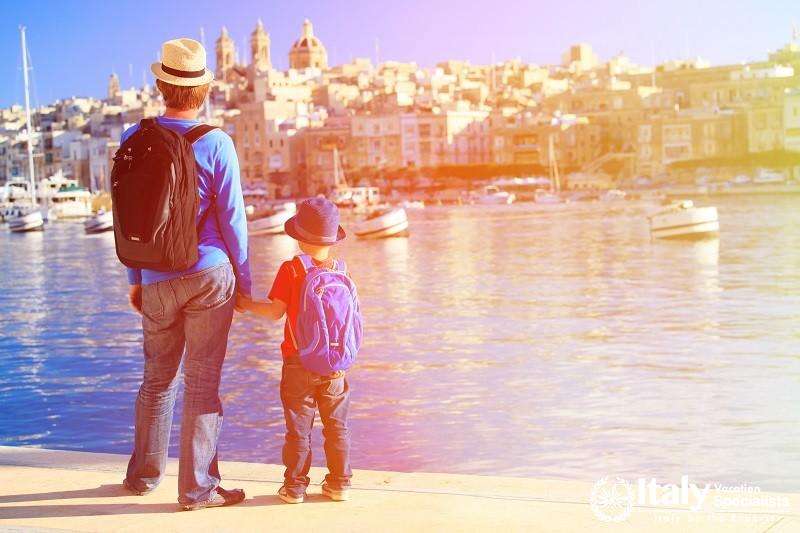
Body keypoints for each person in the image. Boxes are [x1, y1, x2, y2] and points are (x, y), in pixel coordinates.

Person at [121, 38, 251, 511]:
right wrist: (246, 283)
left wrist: (136, 278)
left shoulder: (131, 140)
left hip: (153, 277)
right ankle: (197, 489)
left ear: (160, 86)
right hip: (208, 275)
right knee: (201, 383)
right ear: (203, 92)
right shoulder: (216, 142)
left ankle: (142, 477)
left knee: (156, 380)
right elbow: (233, 220)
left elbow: (129, 214)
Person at [238, 197, 353, 504]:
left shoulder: (292, 269)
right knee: (336, 426)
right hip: (336, 366)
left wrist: (245, 304)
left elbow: (275, 312)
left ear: (300, 237)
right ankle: (339, 483)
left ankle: (295, 487)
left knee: (299, 429)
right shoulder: (343, 271)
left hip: (298, 362)